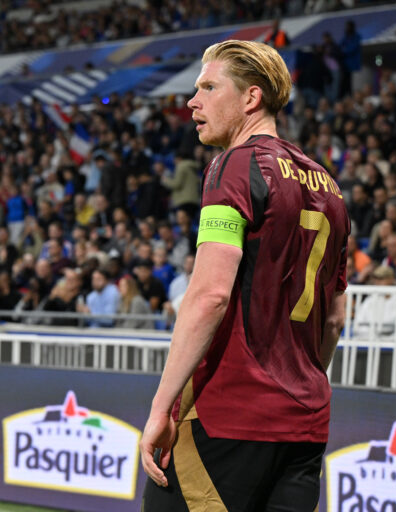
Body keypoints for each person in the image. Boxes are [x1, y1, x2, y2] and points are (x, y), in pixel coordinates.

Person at [140, 40, 349, 511]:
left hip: (229, 417)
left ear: (250, 98)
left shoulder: (235, 166)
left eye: (208, 87)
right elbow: (334, 320)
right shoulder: (331, 188)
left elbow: (210, 295)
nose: (193, 101)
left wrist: (160, 408)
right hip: (305, 425)